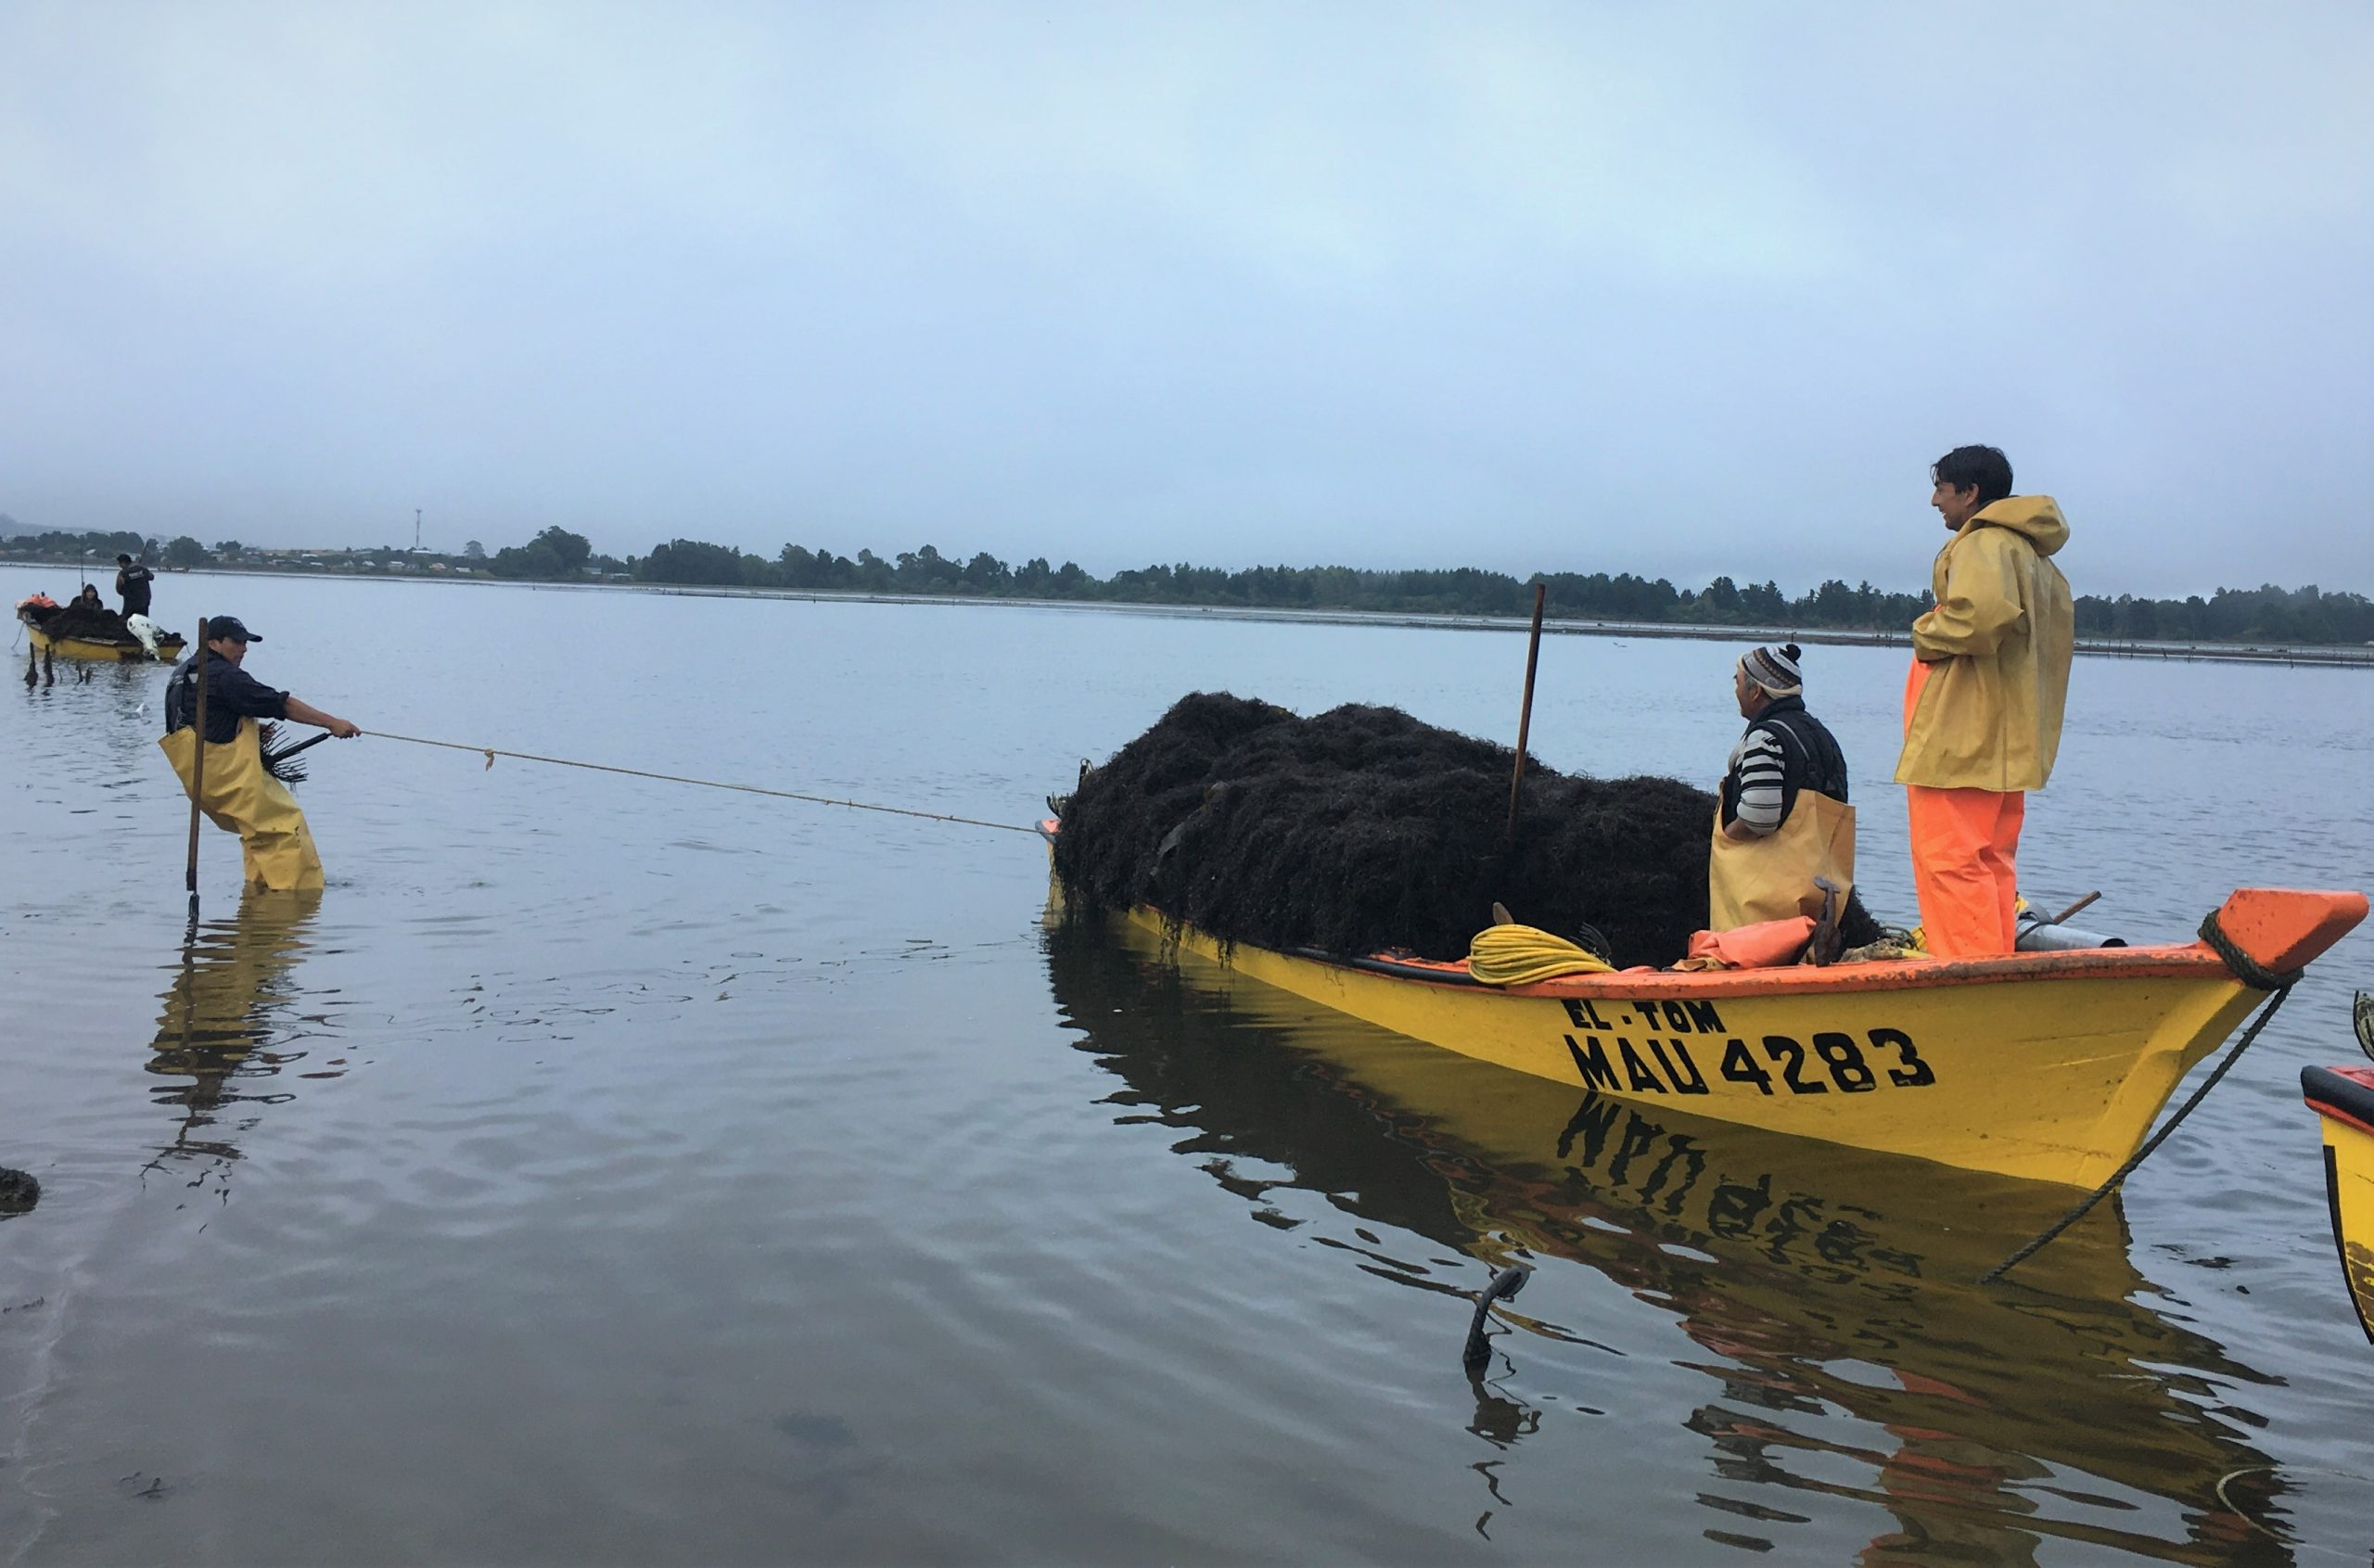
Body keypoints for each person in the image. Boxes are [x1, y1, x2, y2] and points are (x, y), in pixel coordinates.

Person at [1893, 445, 2073, 959]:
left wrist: (1924, 630)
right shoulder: (2032, 554)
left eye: (1943, 490)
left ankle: (1965, 972)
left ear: (1970, 494)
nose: (1934, 501)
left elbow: (1982, 616)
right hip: (2007, 738)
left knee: (1949, 858)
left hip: (1963, 737)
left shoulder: (1984, 544)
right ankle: (1994, 962)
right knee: (1991, 858)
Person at [160, 616, 361, 891]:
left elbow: (198, 722)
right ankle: (296, 898)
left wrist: (248, 729)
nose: (244, 649)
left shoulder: (183, 673)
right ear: (214, 642)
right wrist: (332, 723)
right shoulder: (224, 675)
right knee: (283, 828)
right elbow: (281, 704)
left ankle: (259, 894)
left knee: (258, 835)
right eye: (237, 642)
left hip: (199, 781)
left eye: (246, 642)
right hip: (229, 779)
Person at [1709, 643, 1855, 931]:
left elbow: (1758, 818)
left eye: (1737, 682)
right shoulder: (1819, 734)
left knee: (1749, 958)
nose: (1735, 690)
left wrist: (1727, 838)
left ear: (1756, 691)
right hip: (1817, 892)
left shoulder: (1765, 737)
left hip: (1764, 906)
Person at [115, 554, 154, 618]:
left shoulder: (122, 574)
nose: (120, 566)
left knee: (126, 622)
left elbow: (118, 589)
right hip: (144, 603)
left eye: (119, 564)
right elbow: (152, 577)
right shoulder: (142, 569)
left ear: (122, 563)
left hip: (129, 605)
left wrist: (125, 592)